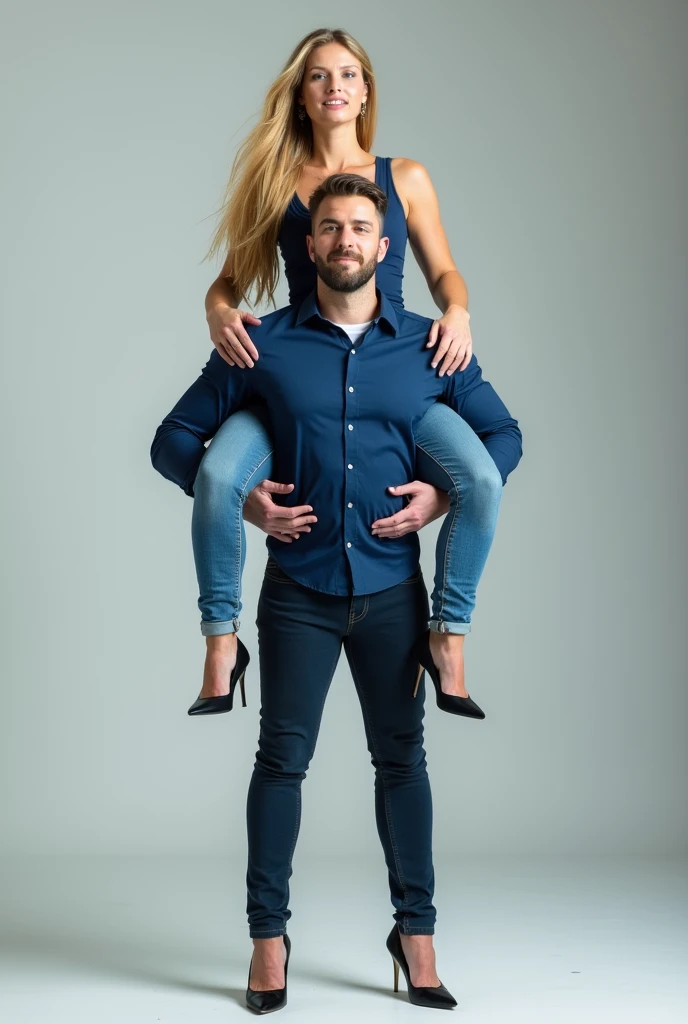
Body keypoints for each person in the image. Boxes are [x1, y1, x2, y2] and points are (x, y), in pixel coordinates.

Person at [151, 173, 522, 1012]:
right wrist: (246, 502)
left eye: (361, 227)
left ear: (383, 250)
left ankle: (416, 936)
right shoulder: (264, 343)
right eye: (331, 228)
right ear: (307, 245)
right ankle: (267, 940)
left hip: (394, 594)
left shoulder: (427, 347)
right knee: (281, 764)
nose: (346, 240)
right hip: (298, 595)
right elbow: (174, 441)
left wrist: (442, 496)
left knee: (403, 763)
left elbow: (501, 434)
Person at [191, 27, 507, 715]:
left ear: (365, 90)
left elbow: (445, 272)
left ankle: (448, 635)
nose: (334, 86)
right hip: (300, 372)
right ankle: (221, 640)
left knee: (480, 475)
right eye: (318, 76)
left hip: (394, 373)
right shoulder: (274, 180)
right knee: (218, 475)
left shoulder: (406, 176)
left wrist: (458, 314)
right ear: (301, 96)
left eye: (348, 74)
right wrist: (217, 312)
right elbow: (230, 284)